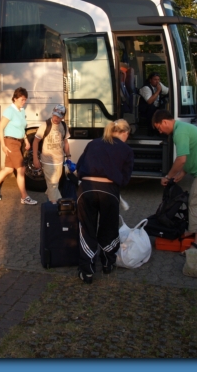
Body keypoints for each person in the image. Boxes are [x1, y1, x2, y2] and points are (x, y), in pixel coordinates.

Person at [152, 110, 197, 252]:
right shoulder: (182, 128)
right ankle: (193, 232)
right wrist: (183, 172)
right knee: (195, 202)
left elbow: (181, 159)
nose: (160, 132)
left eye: (159, 127)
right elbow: (191, 152)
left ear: (165, 122)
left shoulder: (180, 132)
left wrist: (168, 176)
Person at [75, 119, 134, 283]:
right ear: (125, 133)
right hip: (109, 191)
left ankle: (87, 271)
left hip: (86, 189)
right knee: (109, 227)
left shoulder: (93, 143)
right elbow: (125, 179)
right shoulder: (127, 150)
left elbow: (79, 167)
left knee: (87, 228)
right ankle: (108, 263)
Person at [0, 87, 37, 205]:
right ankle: (24, 197)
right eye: (22, 99)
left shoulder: (21, 111)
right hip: (10, 142)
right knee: (21, 169)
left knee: (8, 169)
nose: (24, 102)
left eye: (25, 100)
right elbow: (0, 128)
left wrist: (26, 140)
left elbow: (22, 128)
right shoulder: (9, 111)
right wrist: (3, 145)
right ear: (15, 99)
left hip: (18, 142)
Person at [32, 104, 71, 203]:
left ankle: (49, 197)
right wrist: (35, 158)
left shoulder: (64, 126)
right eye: (55, 115)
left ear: (63, 117)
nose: (56, 118)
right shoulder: (45, 125)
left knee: (54, 184)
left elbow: (65, 142)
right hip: (47, 161)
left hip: (59, 161)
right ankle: (55, 205)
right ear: (52, 113)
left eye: (59, 117)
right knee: (53, 184)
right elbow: (36, 141)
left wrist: (69, 157)